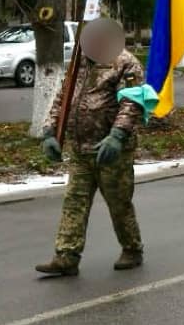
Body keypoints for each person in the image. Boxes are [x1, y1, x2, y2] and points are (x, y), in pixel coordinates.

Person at [36, 47, 146, 277]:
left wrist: (117, 136)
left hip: (111, 149)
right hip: (80, 148)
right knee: (74, 201)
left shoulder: (125, 62)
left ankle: (132, 248)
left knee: (119, 202)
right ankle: (66, 256)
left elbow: (132, 102)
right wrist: (50, 132)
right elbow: (62, 97)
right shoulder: (79, 62)